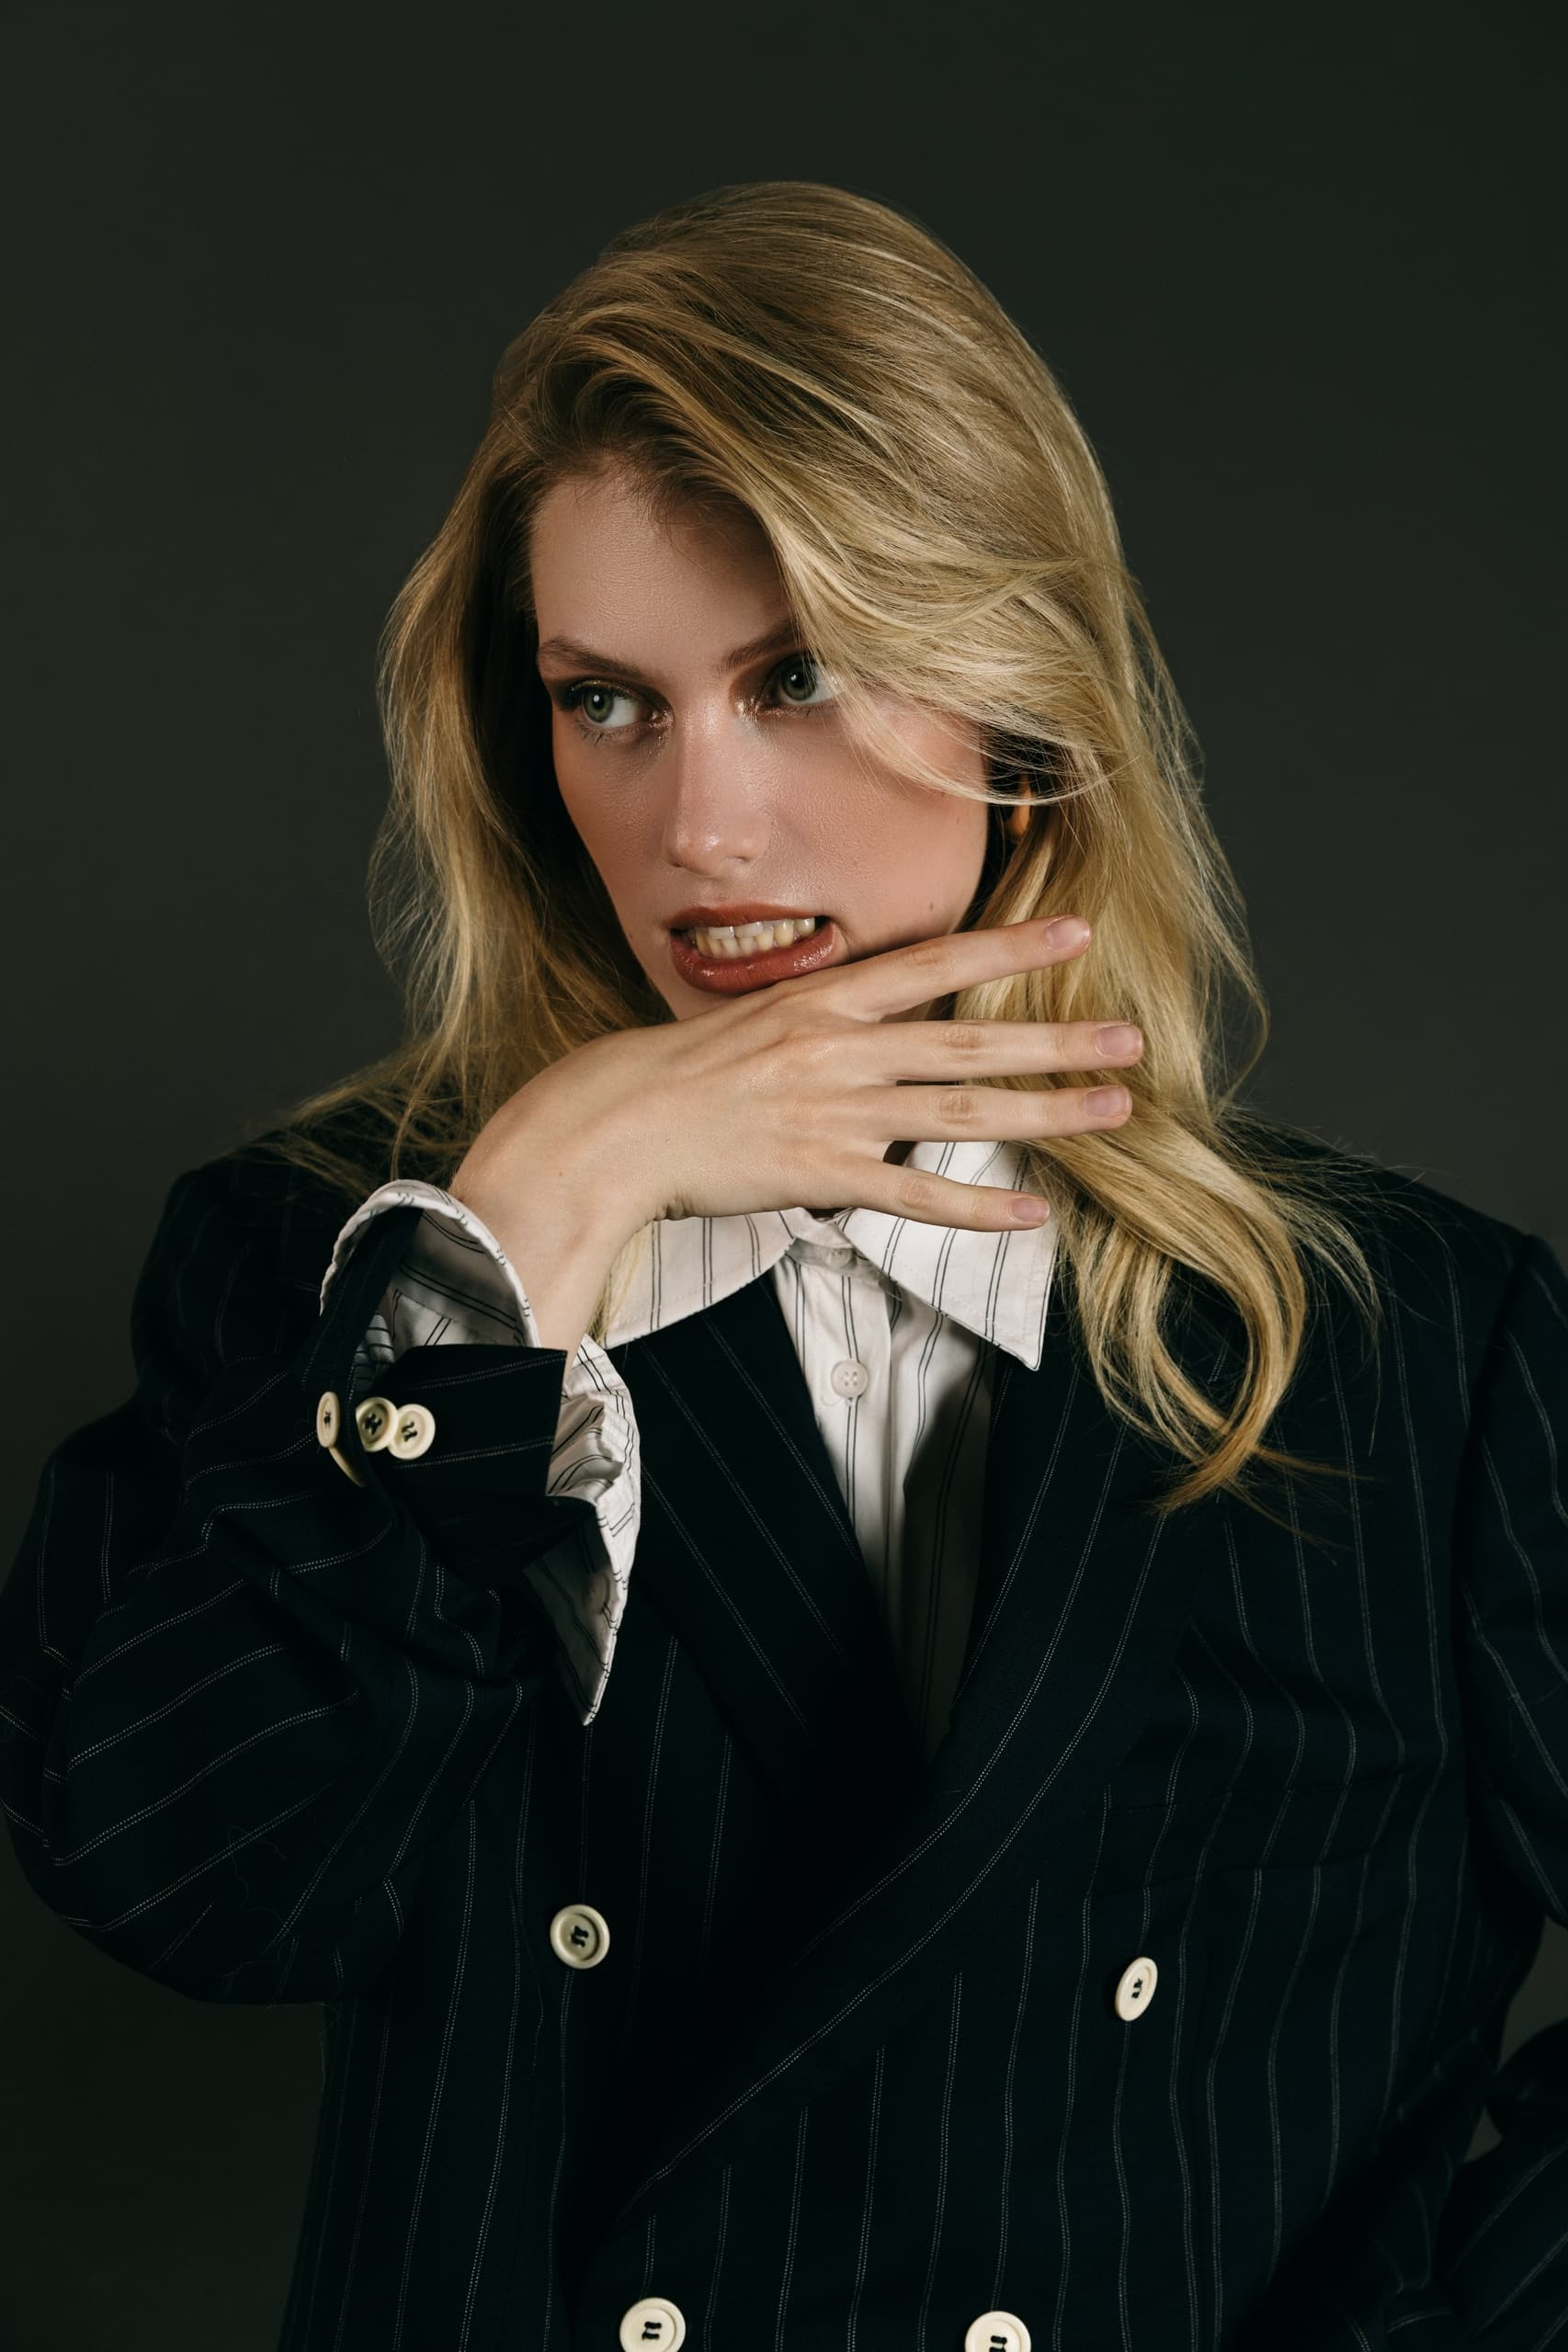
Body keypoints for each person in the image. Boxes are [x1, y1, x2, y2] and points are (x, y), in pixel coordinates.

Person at [2, 178, 1564, 2352]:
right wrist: (523, 1233)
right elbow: (185, 1879)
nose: (699, 826)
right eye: (606, 702)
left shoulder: (1418, 1351)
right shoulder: (327, 1270)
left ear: (1022, 696)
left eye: (800, 677)